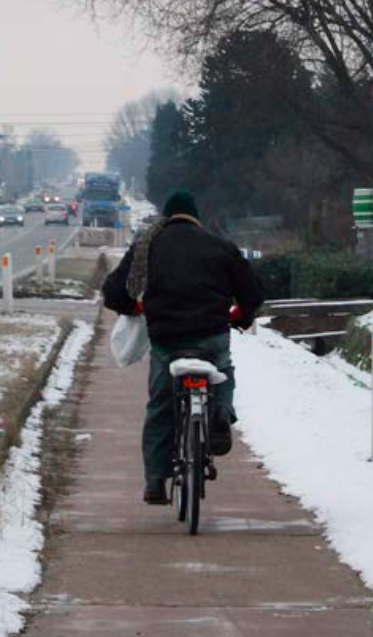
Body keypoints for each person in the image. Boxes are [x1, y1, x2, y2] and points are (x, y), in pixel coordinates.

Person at [103, 190, 264, 505]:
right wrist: (241, 317)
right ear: (195, 216)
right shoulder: (220, 246)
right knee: (224, 372)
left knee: (161, 406)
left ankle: (154, 481)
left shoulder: (146, 247)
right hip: (212, 335)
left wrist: (135, 308)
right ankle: (219, 412)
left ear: (166, 216)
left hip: (167, 340)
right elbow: (252, 293)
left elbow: (113, 292)